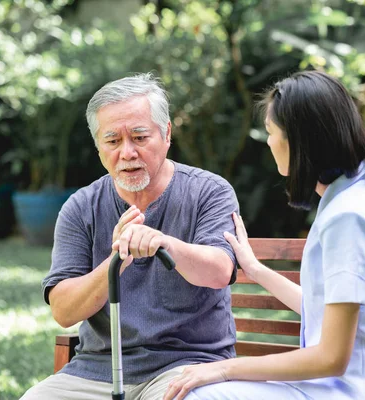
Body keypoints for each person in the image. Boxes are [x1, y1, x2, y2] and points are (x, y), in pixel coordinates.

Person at [164, 71, 365, 400]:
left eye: (272, 132)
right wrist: (256, 270)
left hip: (358, 392)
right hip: (348, 387)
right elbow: (327, 314)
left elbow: (331, 357)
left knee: (199, 396)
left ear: (300, 141)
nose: (269, 141)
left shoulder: (350, 216)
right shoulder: (360, 197)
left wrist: (223, 368)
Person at [21, 73, 240, 400]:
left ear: (166, 134)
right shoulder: (81, 207)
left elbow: (220, 271)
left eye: (139, 137)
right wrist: (116, 260)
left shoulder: (209, 192)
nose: (127, 152)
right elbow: (63, 311)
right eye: (112, 141)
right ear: (98, 148)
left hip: (187, 367)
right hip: (95, 371)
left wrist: (164, 243)